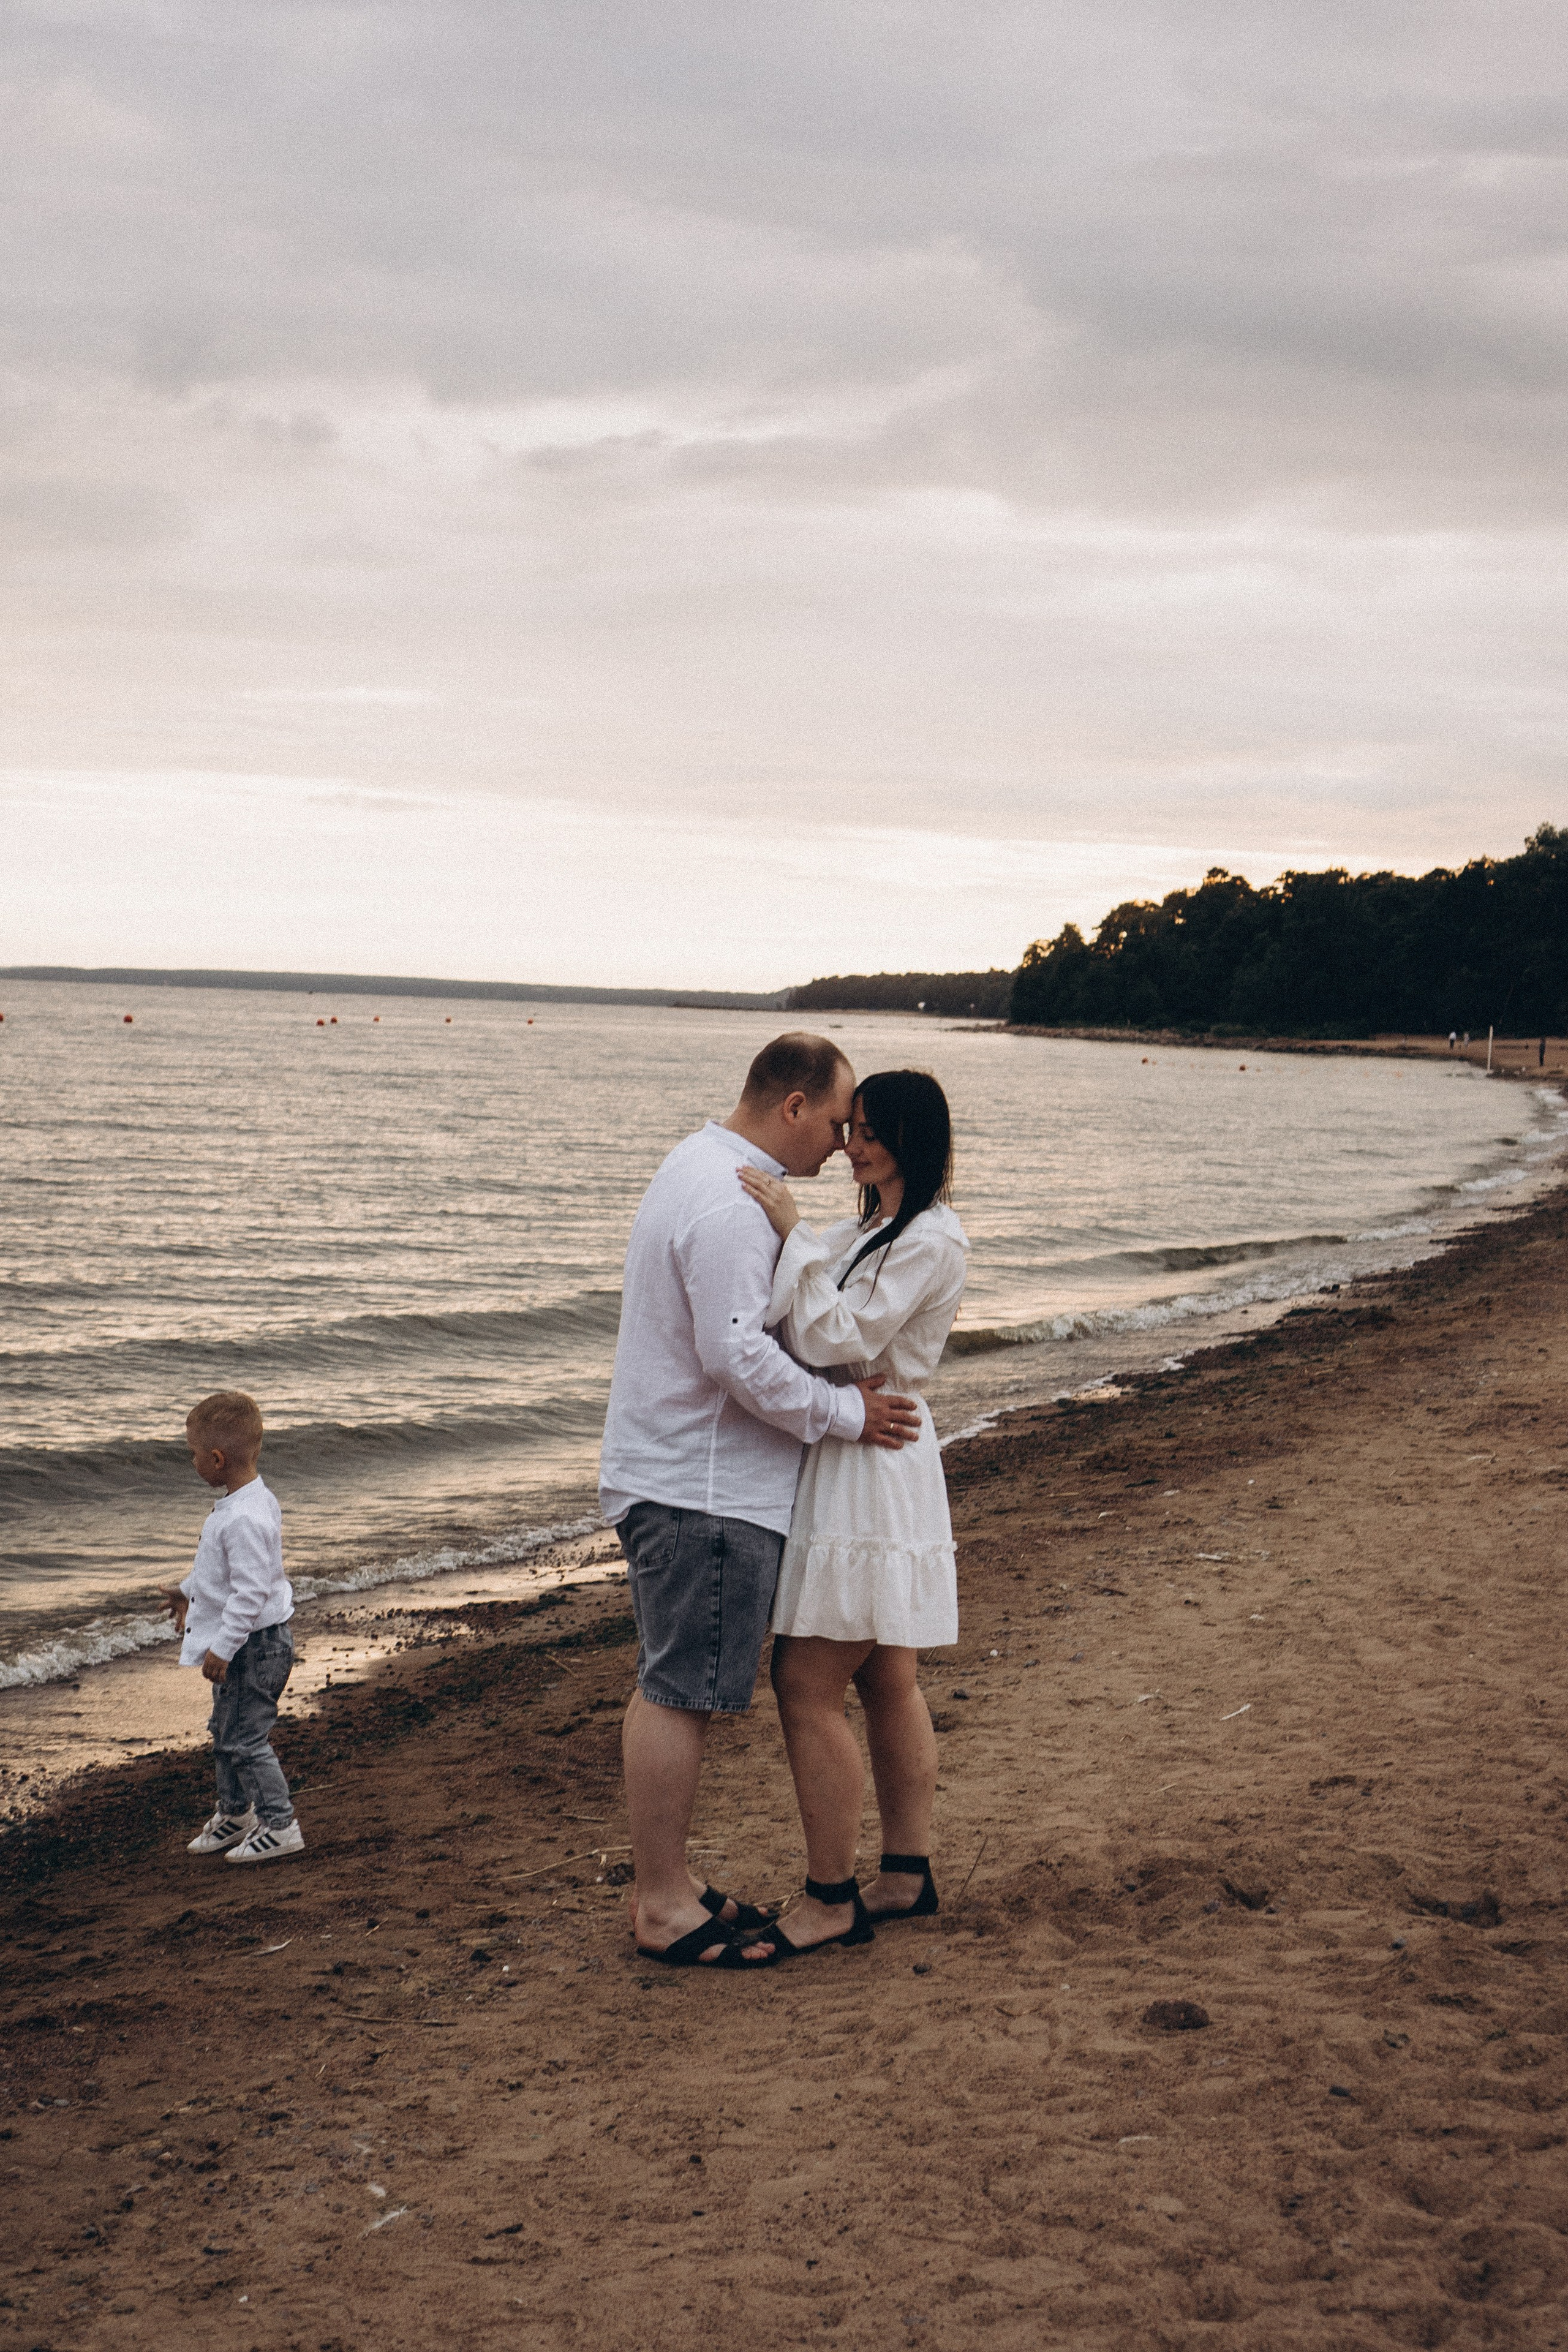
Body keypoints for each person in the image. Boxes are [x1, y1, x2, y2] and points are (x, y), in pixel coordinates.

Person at [599, 1034, 922, 1969]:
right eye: (837, 1121)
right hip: (704, 1488)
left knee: (669, 1682)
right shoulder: (734, 1202)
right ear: (793, 1106)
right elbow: (735, 1353)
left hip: (676, 1474)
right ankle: (663, 1902)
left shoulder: (699, 1164)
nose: (842, 1143)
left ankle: (667, 1882)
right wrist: (847, 1415)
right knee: (679, 1694)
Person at [736, 1069, 967, 1960]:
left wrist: (791, 1229)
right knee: (885, 1678)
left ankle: (831, 1897)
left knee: (805, 1682)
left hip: (876, 1452)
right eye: (852, 1129)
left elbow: (840, 1336)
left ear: (913, 1137)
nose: (852, 1147)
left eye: (871, 1132)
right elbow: (801, 1318)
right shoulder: (870, 1228)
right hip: (862, 1442)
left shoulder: (931, 1237)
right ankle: (905, 1874)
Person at [160, 1390, 303, 1864]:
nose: (193, 1462)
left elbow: (250, 1593)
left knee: (245, 1740)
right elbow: (220, 1574)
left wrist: (222, 1647)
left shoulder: (243, 1518)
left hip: (253, 1648)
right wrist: (187, 1591)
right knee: (226, 1732)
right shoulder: (248, 1501)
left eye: (194, 1454)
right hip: (251, 1643)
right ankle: (236, 1814)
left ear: (217, 1459)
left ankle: (280, 1826)